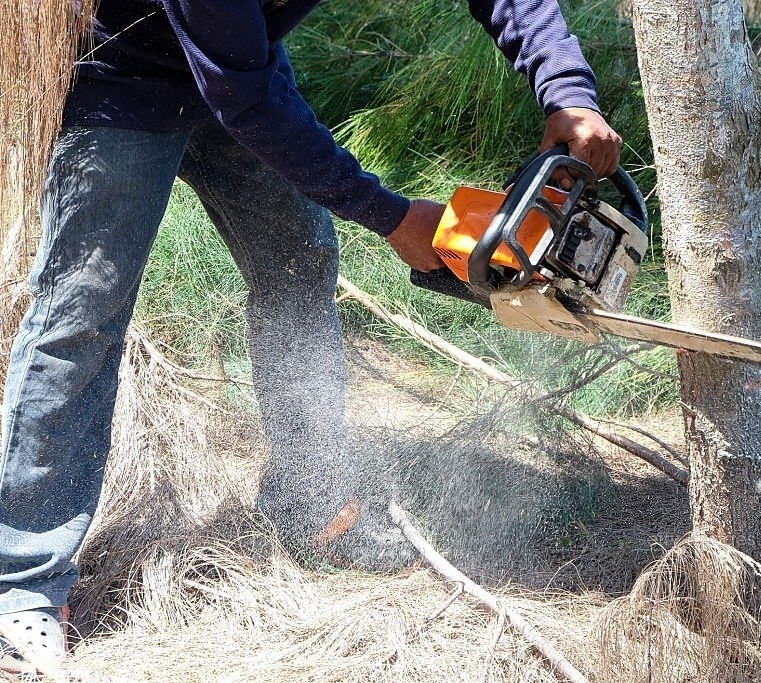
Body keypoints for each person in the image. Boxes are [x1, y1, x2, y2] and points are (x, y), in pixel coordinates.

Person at [0, 0, 621, 674]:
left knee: (298, 259)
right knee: (81, 317)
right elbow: (243, 97)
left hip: (241, 64)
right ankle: (22, 585)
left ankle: (310, 498)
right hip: (123, 82)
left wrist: (567, 90)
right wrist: (391, 216)